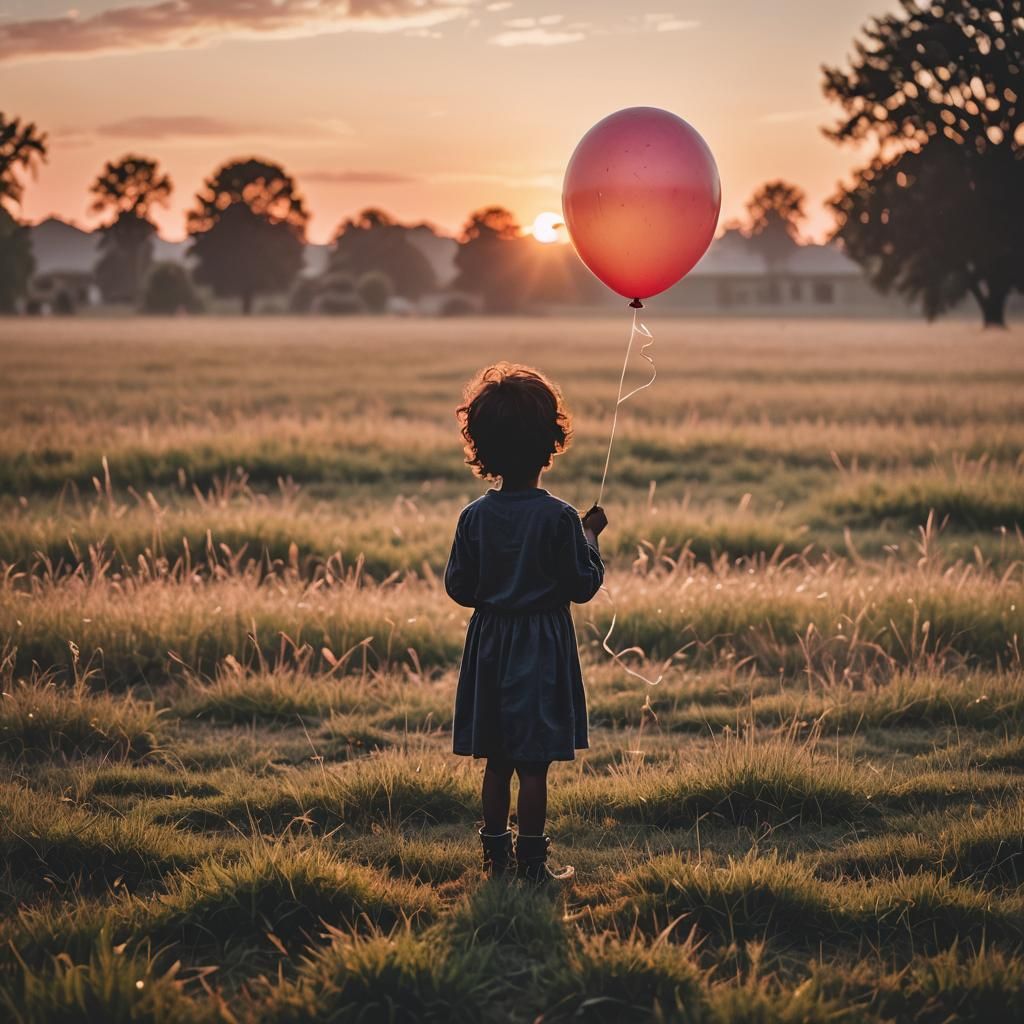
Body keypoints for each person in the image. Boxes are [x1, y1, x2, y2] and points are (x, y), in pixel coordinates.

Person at [444, 362, 607, 883]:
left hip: (490, 642)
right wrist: (591, 537)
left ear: (482, 447)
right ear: (550, 442)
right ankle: (533, 866)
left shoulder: (474, 516)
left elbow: (459, 589)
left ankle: (495, 861)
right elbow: (583, 585)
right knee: (534, 763)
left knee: (498, 760)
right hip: (541, 645)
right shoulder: (560, 517)